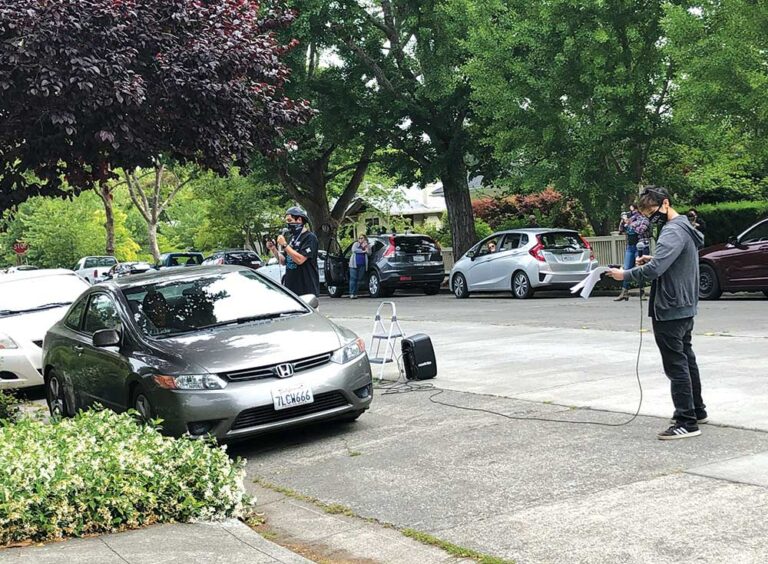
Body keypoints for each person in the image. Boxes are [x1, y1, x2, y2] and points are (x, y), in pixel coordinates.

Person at [607, 186, 706, 440]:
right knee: (686, 357)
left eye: (651, 212)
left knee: (676, 364)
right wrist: (653, 258)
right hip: (685, 303)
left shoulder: (672, 231)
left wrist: (624, 275)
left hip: (670, 306)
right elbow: (671, 261)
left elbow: (655, 271)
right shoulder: (684, 227)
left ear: (665, 204)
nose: (650, 218)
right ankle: (697, 410)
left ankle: (686, 421)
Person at [267, 206, 319, 297]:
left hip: (306, 289)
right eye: (286, 221)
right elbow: (284, 261)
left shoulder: (310, 238)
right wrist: (273, 249)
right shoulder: (291, 238)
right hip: (291, 288)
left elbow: (300, 260)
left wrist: (285, 245)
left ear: (299, 220)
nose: (288, 224)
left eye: (290, 220)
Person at [615, 204, 651, 301]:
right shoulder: (630, 220)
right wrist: (623, 221)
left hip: (640, 246)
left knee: (640, 269)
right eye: (631, 211)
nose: (632, 212)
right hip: (630, 247)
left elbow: (640, 230)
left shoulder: (644, 219)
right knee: (626, 268)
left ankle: (642, 293)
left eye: (634, 210)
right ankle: (624, 292)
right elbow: (621, 230)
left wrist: (630, 224)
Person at [348, 234, 371, 299]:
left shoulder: (367, 245)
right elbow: (354, 250)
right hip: (353, 265)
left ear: (365, 239)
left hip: (362, 264)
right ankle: (351, 293)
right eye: (359, 238)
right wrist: (363, 251)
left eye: (362, 238)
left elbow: (369, 253)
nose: (360, 239)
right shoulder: (356, 244)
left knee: (359, 279)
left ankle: (355, 293)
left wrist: (366, 248)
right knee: (353, 278)